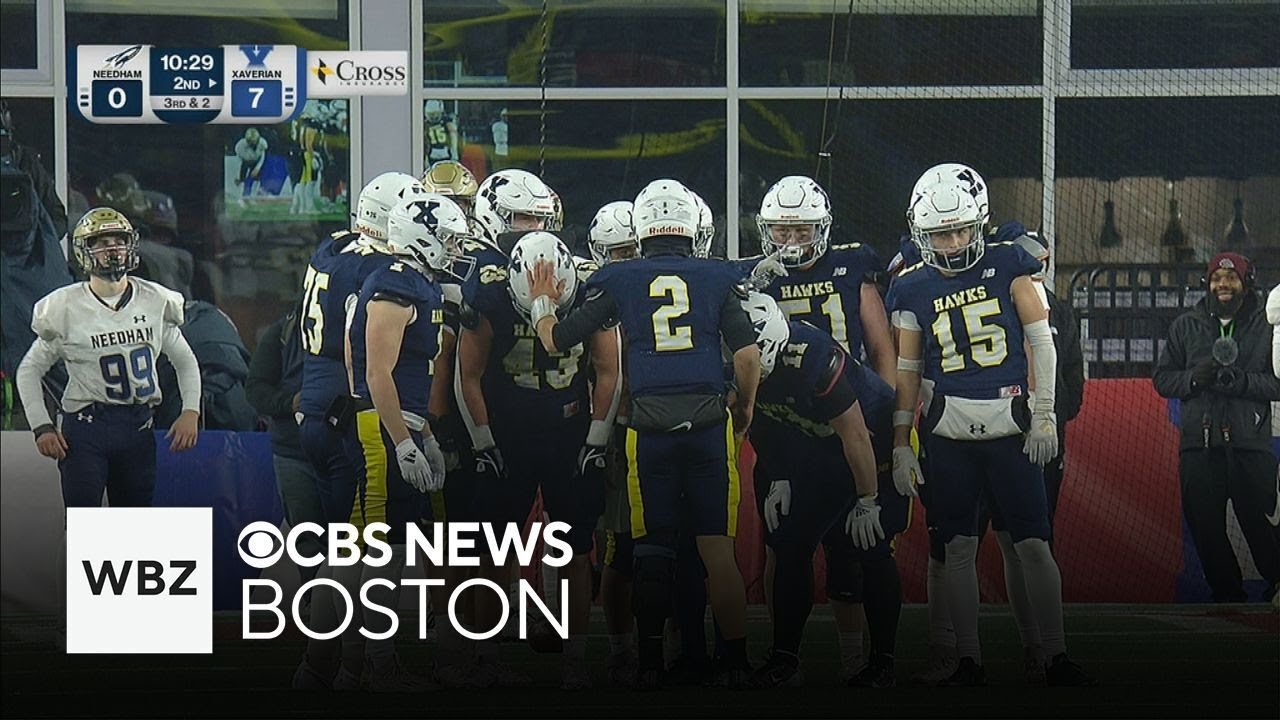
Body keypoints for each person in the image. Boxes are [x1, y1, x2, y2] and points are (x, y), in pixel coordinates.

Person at [527, 178, 760, 689]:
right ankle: (736, 664)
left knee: (650, 550)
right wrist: (743, 409)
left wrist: (542, 304)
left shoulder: (619, 277)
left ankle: (649, 663)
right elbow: (747, 356)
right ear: (690, 226)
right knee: (716, 552)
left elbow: (558, 340)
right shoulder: (717, 275)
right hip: (707, 424)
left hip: (648, 428)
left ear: (643, 227)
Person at [887, 173, 1093, 687]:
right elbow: (908, 370)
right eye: (941, 233)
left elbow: (1042, 343)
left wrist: (1044, 413)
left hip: (1009, 426)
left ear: (979, 223)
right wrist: (900, 442)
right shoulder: (911, 285)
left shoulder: (1009, 262)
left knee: (1033, 544)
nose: (953, 242)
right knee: (957, 548)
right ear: (921, 233)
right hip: (948, 432)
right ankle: (967, 659)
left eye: (961, 230)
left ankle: (1054, 653)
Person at [746, 174, 899, 680]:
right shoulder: (754, 279)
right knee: (784, 544)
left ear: (824, 228)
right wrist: (777, 466)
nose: (791, 241)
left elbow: (881, 351)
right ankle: (785, 654)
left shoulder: (850, 267)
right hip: (788, 425)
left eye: (802, 230)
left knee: (858, 548)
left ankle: (862, 659)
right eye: (781, 230)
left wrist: (885, 421)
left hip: (846, 409)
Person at [456, 231, 620, 689]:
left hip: (569, 432)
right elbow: (467, 376)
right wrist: (484, 442)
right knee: (494, 546)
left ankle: (575, 660)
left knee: (575, 549)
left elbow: (610, 371)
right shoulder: (491, 294)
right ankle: (486, 657)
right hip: (509, 433)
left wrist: (596, 439)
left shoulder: (591, 289)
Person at [291, 171, 425, 692]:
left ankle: (329, 666)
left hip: (314, 402)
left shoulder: (331, 248)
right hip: (346, 408)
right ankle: (352, 665)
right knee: (364, 549)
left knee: (344, 547)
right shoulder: (379, 271)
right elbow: (359, 351)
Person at [15, 207, 200, 509]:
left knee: (132, 525)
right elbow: (29, 370)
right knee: (83, 524)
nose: (113, 248)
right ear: (84, 251)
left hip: (138, 425)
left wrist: (190, 410)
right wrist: (41, 426)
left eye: (119, 240)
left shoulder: (154, 299)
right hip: (86, 428)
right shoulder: (65, 306)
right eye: (101, 242)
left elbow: (185, 360)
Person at [1153, 252, 1280, 603]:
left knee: (1262, 524)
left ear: (1246, 282)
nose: (1223, 285)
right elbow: (1162, 379)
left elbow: (1278, 383)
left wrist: (1243, 383)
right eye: (1216, 279)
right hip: (1200, 444)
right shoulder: (1186, 325)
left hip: (1250, 444)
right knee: (1205, 528)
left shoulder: (1266, 325)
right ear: (1207, 283)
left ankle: (1278, 584)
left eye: (1231, 278)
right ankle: (1227, 593)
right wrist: (1194, 379)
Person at [245, 308, 323, 583]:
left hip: (343, 451)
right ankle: (314, 598)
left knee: (349, 537)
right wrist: (290, 403)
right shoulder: (283, 332)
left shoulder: (353, 327)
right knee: (307, 538)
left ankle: (344, 600)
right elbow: (255, 388)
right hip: (293, 453)